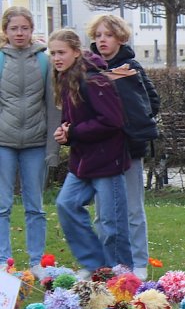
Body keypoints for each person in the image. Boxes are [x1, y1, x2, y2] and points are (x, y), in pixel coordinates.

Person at [50, 29, 132, 278]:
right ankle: (98, 267)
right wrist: (64, 133)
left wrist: (74, 132)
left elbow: (112, 121)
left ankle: (121, 278)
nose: (56, 58)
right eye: (52, 53)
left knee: (111, 224)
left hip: (107, 161)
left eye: (61, 52)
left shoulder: (95, 80)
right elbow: (72, 121)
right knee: (66, 204)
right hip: (82, 162)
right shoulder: (66, 79)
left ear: (76, 52)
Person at [88, 15, 160, 280]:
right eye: (98, 35)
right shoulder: (89, 69)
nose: (102, 40)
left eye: (107, 35)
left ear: (120, 37)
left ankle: (138, 262)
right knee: (103, 211)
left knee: (133, 209)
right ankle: (107, 263)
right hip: (101, 150)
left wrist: (134, 126)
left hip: (129, 148)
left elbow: (152, 101)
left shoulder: (132, 67)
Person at [0, 7, 60, 278]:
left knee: (35, 206)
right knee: (2, 206)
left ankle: (37, 261)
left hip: (35, 143)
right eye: (14, 28)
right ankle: (4, 261)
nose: (20, 33)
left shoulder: (45, 61)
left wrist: (52, 147)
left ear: (32, 29)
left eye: (24, 28)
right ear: (6, 31)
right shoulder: (0, 60)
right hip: (4, 142)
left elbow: (52, 106)